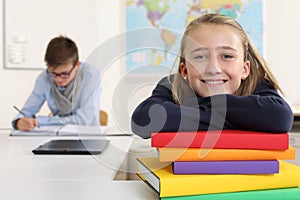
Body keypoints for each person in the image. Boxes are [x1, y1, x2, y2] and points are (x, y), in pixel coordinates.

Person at [131, 13, 293, 139]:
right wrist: (240, 118)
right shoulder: (172, 85)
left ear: (245, 69)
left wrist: (192, 110)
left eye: (227, 56)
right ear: (184, 70)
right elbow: (143, 120)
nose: (213, 69)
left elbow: (280, 117)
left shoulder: (257, 84)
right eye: (200, 57)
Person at [12, 36, 101, 131]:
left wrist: (42, 121)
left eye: (64, 74)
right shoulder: (44, 77)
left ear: (77, 65)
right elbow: (26, 112)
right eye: (53, 73)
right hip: (57, 137)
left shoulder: (90, 75)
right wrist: (19, 122)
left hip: (87, 137)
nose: (58, 79)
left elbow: (85, 120)